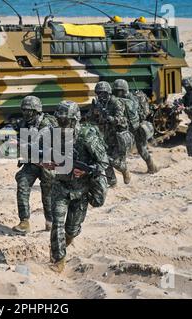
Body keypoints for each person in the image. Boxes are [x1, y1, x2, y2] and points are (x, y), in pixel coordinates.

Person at [49, 100, 109, 273]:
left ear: (74, 120)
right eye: (59, 120)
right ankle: (58, 260)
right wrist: (46, 162)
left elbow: (103, 162)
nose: (61, 123)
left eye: (65, 120)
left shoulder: (87, 136)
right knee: (57, 225)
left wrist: (85, 172)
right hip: (60, 187)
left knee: (71, 230)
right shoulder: (53, 135)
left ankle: (64, 244)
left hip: (81, 190)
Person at [12, 96, 58, 234]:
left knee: (48, 194)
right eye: (24, 110)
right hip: (33, 162)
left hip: (48, 164)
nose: (25, 113)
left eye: (28, 111)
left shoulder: (48, 124)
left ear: (36, 111)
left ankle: (50, 222)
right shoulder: (25, 124)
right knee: (22, 184)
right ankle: (24, 222)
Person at [87, 81, 132, 187]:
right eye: (98, 93)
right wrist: (93, 115)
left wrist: (111, 118)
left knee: (114, 161)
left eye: (103, 93)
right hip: (103, 136)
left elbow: (121, 118)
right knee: (103, 159)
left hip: (116, 136)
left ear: (108, 93)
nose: (101, 96)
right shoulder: (97, 104)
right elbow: (90, 118)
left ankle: (124, 169)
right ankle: (112, 181)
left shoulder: (115, 102)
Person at [113, 79, 158, 174]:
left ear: (124, 90)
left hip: (137, 129)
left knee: (141, 149)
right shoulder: (123, 99)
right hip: (128, 129)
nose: (117, 93)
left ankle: (152, 167)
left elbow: (129, 106)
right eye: (116, 91)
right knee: (123, 150)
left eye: (119, 90)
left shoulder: (130, 99)